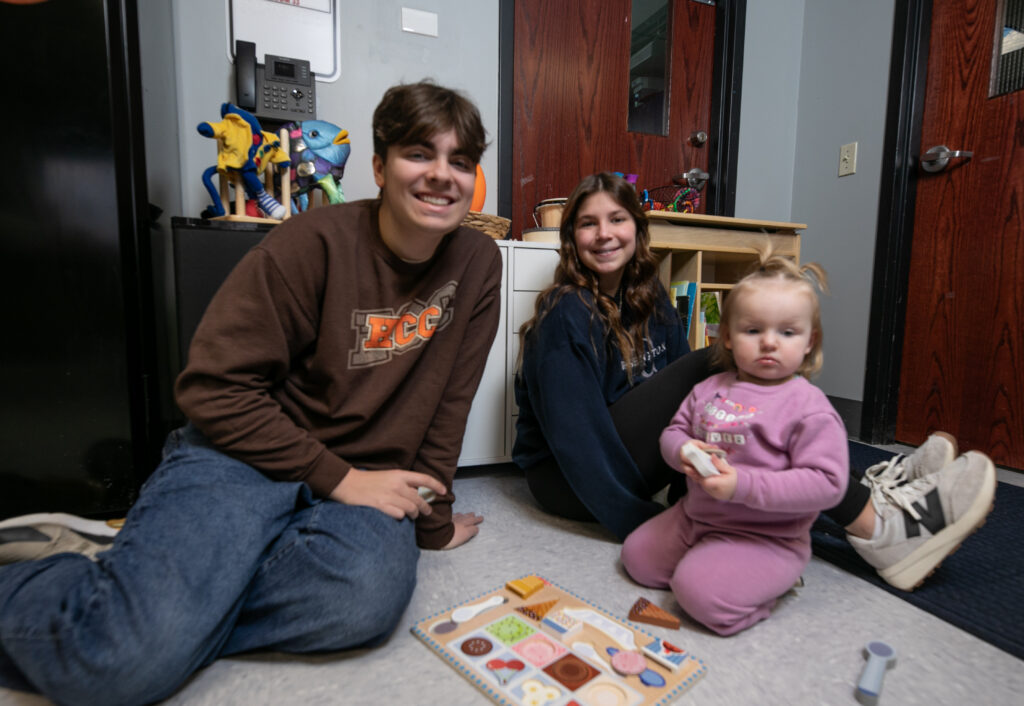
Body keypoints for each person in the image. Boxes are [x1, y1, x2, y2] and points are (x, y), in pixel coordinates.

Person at [0, 80, 502, 705]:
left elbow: (449, 403)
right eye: (419, 154)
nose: (441, 175)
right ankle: (112, 594)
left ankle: (157, 587)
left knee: (362, 604)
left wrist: (434, 523)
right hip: (242, 454)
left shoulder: (479, 262)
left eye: (460, 161)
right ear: (378, 166)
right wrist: (337, 477)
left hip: (368, 474)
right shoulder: (309, 243)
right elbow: (212, 389)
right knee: (121, 663)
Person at [513, 171, 997, 593]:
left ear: (638, 229)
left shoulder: (648, 295)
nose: (604, 234)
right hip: (568, 481)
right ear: (571, 239)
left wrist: (697, 495)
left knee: (723, 386)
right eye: (587, 223)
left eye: (617, 219)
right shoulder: (566, 314)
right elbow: (579, 446)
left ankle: (849, 486)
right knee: (717, 363)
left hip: (634, 457)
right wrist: (661, 524)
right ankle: (875, 523)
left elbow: (699, 414)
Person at [620, 254, 849, 635]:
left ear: (811, 341)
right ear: (727, 336)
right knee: (636, 558)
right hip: (696, 517)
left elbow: (827, 483)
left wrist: (742, 485)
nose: (770, 343)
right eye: (753, 330)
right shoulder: (710, 388)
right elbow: (673, 432)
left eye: (788, 333)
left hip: (767, 538)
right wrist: (682, 453)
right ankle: (713, 563)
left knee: (697, 594)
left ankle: (764, 592)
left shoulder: (808, 407)